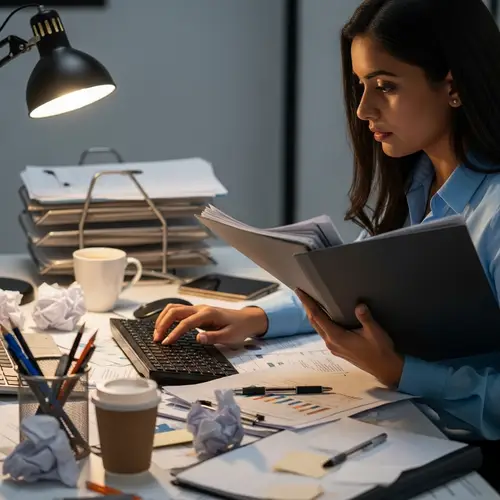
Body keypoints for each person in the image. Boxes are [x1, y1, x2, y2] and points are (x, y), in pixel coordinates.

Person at [154, 0, 500, 487]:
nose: (363, 110)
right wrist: (256, 317)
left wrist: (402, 372)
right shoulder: (419, 181)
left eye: (386, 86)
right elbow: (348, 284)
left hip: (471, 460)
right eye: (362, 86)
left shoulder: (495, 214)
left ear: (454, 85)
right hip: (410, 427)